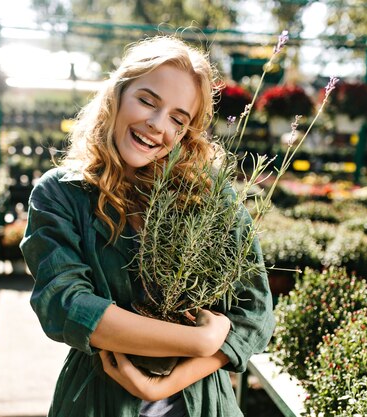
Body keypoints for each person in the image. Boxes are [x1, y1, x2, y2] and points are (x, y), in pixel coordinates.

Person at [20, 35, 275, 417]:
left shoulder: (211, 198)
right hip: (96, 401)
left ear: (187, 132)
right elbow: (67, 305)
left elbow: (255, 312)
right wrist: (200, 339)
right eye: (147, 101)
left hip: (201, 403)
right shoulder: (61, 194)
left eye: (177, 118)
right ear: (118, 94)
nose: (157, 125)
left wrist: (165, 383)